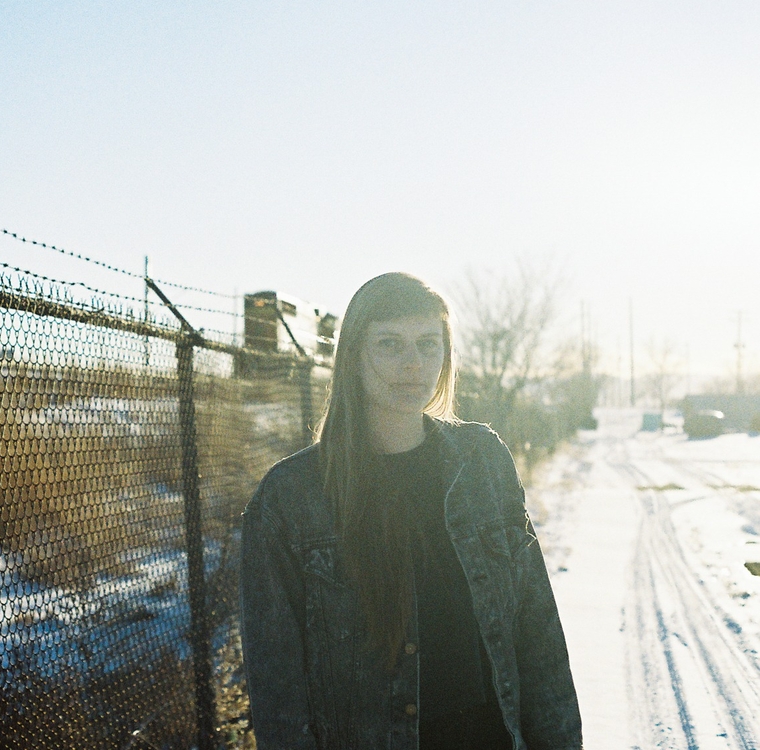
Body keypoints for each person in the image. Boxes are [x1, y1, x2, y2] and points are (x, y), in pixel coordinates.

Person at [240, 272, 581, 750]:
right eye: (389, 344)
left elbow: (537, 629)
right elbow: (278, 689)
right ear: (353, 356)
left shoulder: (481, 460)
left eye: (427, 344)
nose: (412, 363)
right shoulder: (292, 496)